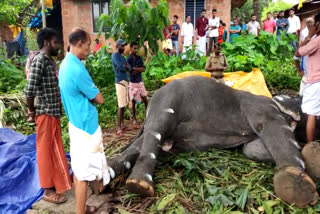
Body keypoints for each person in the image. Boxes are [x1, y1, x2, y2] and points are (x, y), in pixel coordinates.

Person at [59, 28, 111, 214]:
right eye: (88, 45)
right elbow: (100, 98)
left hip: (75, 123)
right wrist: (94, 92)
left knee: (81, 169)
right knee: (82, 175)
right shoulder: (76, 69)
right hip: (85, 128)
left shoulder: (65, 64)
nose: (90, 49)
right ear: (79, 43)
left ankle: (84, 205)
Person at [25, 28, 72, 204]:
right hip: (45, 113)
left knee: (55, 150)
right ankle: (47, 190)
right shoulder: (39, 61)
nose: (58, 45)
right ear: (46, 43)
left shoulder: (49, 61)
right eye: (55, 42)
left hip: (53, 113)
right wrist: (31, 111)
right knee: (45, 152)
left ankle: (58, 183)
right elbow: (29, 90)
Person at [295, 13, 320, 143]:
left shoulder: (316, 40)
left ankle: (310, 146)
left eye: (313, 24)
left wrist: (309, 36)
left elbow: (298, 52)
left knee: (311, 114)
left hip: (316, 81)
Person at [112, 39, 131, 135]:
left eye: (124, 46)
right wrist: (125, 66)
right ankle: (118, 127)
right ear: (118, 46)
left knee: (124, 105)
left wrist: (126, 66)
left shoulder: (122, 57)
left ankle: (122, 125)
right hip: (120, 82)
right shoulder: (114, 55)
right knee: (121, 105)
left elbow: (129, 68)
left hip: (125, 82)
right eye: (122, 46)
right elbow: (121, 67)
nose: (123, 48)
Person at [127, 42, 148, 123]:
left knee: (145, 99)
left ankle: (147, 115)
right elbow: (130, 72)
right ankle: (134, 118)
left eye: (137, 48)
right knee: (133, 101)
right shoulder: (128, 59)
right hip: (132, 82)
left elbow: (143, 69)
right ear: (131, 48)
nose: (136, 50)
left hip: (139, 81)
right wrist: (137, 69)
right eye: (134, 48)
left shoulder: (139, 58)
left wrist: (135, 68)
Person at [294, 18, 315, 96]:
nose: (310, 24)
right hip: (307, 71)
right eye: (308, 22)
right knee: (302, 95)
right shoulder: (304, 32)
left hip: (315, 75)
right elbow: (296, 54)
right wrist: (299, 70)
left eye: (311, 22)